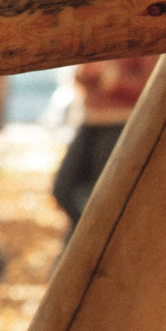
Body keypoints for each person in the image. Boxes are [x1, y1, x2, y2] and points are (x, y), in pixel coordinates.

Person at [52, 55, 157, 236]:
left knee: (104, 197)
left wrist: (112, 78)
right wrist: (86, 74)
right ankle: (81, 241)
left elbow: (151, 86)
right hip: (91, 121)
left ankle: (93, 243)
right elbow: (82, 78)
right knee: (64, 190)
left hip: (121, 125)